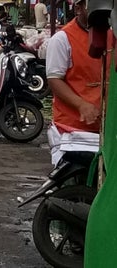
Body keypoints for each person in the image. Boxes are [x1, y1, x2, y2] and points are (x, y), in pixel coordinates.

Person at [45, 0, 111, 165]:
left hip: (106, 129)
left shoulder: (111, 36)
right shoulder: (62, 39)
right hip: (72, 132)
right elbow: (54, 80)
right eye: (93, 5)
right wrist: (82, 105)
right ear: (78, 8)